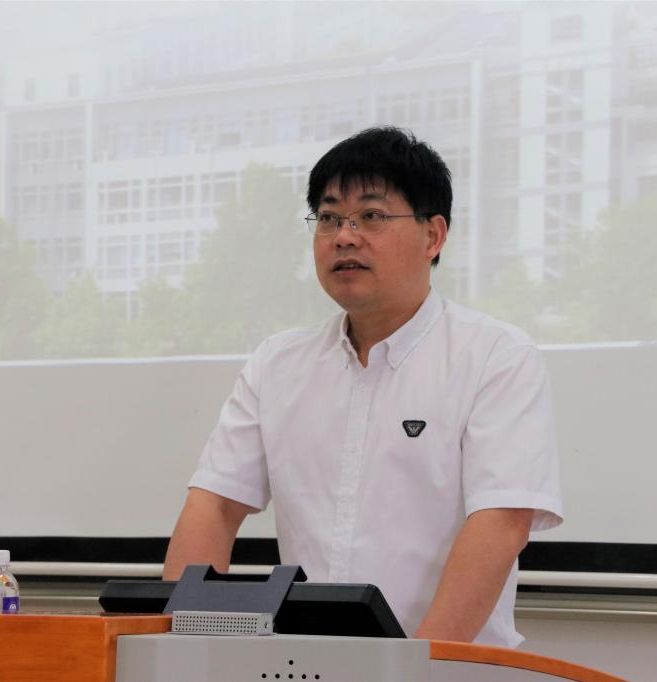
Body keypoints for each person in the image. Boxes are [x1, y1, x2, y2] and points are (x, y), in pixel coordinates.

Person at [163, 127, 562, 647]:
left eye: (371, 216)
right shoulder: (276, 364)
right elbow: (214, 506)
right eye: (329, 218)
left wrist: (409, 672)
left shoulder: (495, 357)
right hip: (300, 668)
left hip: (446, 672)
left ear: (433, 236)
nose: (344, 237)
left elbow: (502, 522)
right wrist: (179, 648)